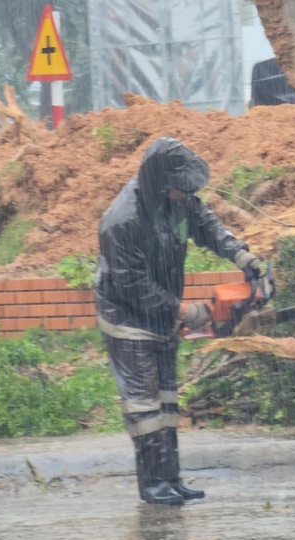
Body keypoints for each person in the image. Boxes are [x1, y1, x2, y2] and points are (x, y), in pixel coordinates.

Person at [94, 137, 261, 506]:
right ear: (159, 182)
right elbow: (132, 285)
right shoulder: (123, 220)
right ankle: (152, 485)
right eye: (179, 188)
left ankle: (170, 478)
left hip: (163, 311)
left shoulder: (179, 203)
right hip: (126, 316)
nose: (184, 195)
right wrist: (184, 311)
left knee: (167, 401)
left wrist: (243, 256)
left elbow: (207, 226)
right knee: (144, 405)